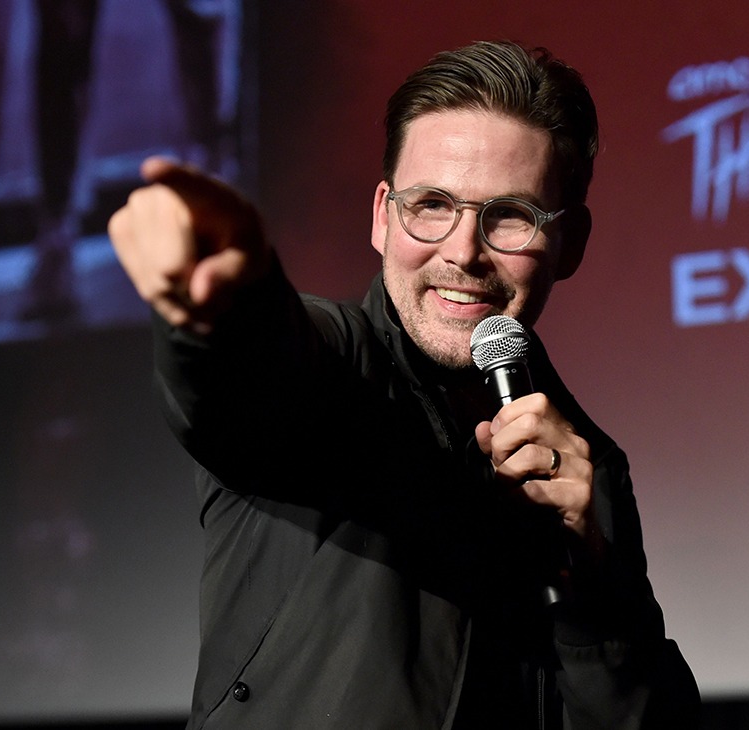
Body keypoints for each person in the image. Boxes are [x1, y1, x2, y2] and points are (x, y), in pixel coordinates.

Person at [108, 40, 699, 728]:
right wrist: (226, 307)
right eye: (433, 205)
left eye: (511, 215)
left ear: (572, 243)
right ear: (382, 216)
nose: (463, 251)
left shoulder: (588, 466)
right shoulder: (340, 370)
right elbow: (252, 372)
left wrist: (592, 591)